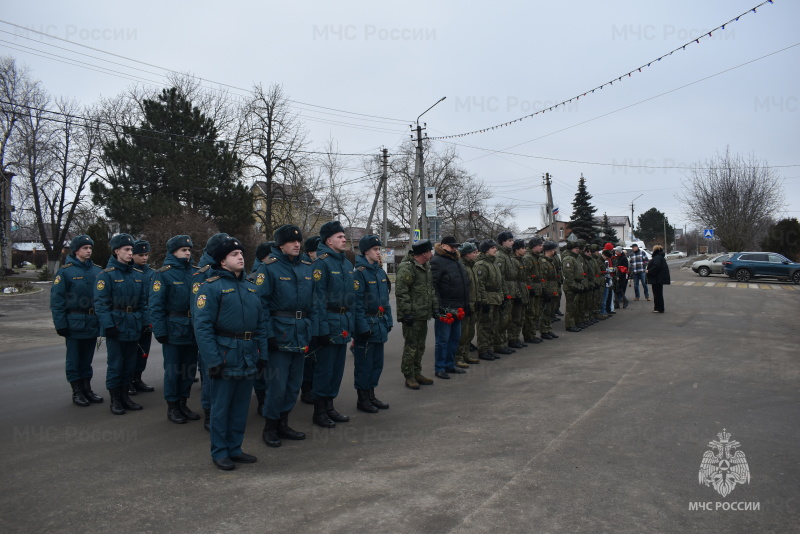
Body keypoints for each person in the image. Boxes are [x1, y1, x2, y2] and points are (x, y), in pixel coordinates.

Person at [193, 237, 267, 470]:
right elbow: (202, 327)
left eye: (241, 253)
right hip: (225, 355)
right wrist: (213, 360)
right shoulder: (210, 287)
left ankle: (235, 448)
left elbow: (262, 324)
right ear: (222, 261)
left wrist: (262, 354)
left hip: (247, 355)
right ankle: (219, 452)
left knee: (240, 407)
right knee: (221, 408)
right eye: (234, 254)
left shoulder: (251, 287)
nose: (241, 257)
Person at [254, 224, 317, 447]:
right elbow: (260, 306)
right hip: (279, 334)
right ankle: (270, 427)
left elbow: (314, 303)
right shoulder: (268, 268)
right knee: (277, 385)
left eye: (298, 241)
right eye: (291, 241)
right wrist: (267, 336)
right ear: (281, 245)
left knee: (293, 384)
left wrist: (314, 330)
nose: (297, 244)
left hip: (301, 333)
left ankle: (283, 423)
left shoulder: (306, 267)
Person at [94, 233, 149, 415]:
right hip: (116, 325)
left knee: (129, 364)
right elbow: (101, 304)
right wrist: (108, 325)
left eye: (131, 250)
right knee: (116, 364)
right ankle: (115, 399)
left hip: (133, 325)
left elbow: (142, 303)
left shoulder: (137, 275)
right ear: (116, 251)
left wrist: (143, 322)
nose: (130, 253)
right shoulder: (106, 276)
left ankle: (125, 396)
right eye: (126, 249)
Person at [150, 235, 201, 425]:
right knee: (173, 370)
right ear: (173, 252)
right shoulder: (163, 274)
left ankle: (183, 402)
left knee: (188, 369)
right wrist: (160, 330)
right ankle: (172, 406)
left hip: (193, 330)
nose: (188, 253)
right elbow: (156, 306)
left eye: (189, 250)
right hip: (173, 330)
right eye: (183, 250)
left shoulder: (196, 273)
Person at [50, 235, 104, 407]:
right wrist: (61, 324)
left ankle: (87, 389)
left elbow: (103, 299)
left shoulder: (97, 271)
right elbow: (57, 301)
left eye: (90, 248)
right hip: (74, 322)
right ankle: (77, 391)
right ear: (76, 251)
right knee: (74, 359)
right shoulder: (65, 272)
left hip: (92, 321)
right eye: (85, 248)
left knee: (87, 359)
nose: (88, 251)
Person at [311, 221, 354, 427]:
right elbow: (317, 299)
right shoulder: (322, 263)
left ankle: (330, 407)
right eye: (339, 236)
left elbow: (351, 299)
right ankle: (319, 411)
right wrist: (321, 329)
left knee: (337, 369)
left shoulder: (346, 263)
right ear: (328, 241)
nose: (344, 239)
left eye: (344, 236)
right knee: (324, 369)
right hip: (328, 323)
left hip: (343, 322)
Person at [192, 232, 230, 431]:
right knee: (210, 376)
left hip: (230, 336)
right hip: (213, 335)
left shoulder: (230, 269)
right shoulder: (203, 274)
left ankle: (223, 411)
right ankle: (209, 413)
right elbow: (200, 313)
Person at [352, 234, 393, 412]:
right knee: (364, 365)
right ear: (366, 251)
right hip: (367, 324)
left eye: (379, 249)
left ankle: (371, 394)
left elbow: (385, 301)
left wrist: (389, 321)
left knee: (377, 363)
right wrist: (362, 327)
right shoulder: (359, 273)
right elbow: (356, 303)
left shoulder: (380, 272)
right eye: (376, 250)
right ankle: (362, 399)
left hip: (380, 323)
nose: (379, 253)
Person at [395, 239, 437, 389]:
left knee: (420, 346)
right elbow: (401, 292)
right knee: (411, 346)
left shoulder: (426, 266)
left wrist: (435, 307)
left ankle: (417, 372)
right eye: (430, 250)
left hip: (423, 313)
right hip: (412, 315)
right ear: (424, 253)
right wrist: (407, 313)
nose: (432, 253)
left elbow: (430, 289)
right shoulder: (407, 268)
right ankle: (409, 375)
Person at [430, 236, 469, 380]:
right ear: (443, 246)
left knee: (455, 338)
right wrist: (438, 307)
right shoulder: (437, 261)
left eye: (456, 246)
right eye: (451, 246)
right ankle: (439, 367)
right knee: (443, 340)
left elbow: (464, 284)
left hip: (458, 307)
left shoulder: (456, 260)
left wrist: (466, 305)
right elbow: (433, 286)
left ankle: (450, 364)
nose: (454, 248)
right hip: (445, 308)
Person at [247, 240, 274, 415]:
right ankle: (262, 399)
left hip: (275, 327)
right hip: (260, 328)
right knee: (261, 368)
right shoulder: (254, 277)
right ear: (264, 258)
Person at [130, 240, 156, 395]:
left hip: (149, 318)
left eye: (146, 255)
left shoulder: (152, 273)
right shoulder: (129, 272)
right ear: (132, 255)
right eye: (140, 255)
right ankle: (129, 380)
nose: (144, 258)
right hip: (134, 317)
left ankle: (138, 378)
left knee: (144, 351)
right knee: (132, 351)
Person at [474, 239, 503, 360]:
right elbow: (480, 285)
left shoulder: (494, 262)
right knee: (484, 325)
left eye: (495, 247)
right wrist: (483, 301)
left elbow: (499, 282)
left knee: (493, 324)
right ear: (486, 250)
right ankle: (483, 349)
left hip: (495, 298)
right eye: (492, 248)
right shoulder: (481, 264)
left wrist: (501, 296)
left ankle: (488, 348)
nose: (495, 249)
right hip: (487, 298)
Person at [299, 234, 320, 405]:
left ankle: (312, 387)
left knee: (314, 357)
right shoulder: (306, 267)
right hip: (303, 320)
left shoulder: (315, 265)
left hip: (313, 317)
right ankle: (306, 390)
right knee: (307, 358)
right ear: (311, 252)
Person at [456, 241, 481, 367]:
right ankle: (458, 356)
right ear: (466, 254)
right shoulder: (462, 267)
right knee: (463, 334)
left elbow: (475, 286)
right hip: (465, 306)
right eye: (474, 253)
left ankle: (465, 354)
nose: (476, 255)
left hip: (473, 304)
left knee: (470, 332)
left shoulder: (472, 266)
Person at [494, 231, 518, 353]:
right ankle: (499, 344)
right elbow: (500, 276)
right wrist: (504, 294)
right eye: (509, 240)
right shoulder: (500, 256)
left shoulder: (508, 255)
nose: (512, 242)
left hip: (511, 289)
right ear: (503, 242)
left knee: (507, 319)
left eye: (512, 240)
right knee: (502, 320)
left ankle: (504, 342)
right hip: (505, 291)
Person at [522, 238, 544, 344]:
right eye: (539, 245)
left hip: (537, 287)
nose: (541, 247)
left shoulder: (536, 257)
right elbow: (526, 275)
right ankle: (529, 335)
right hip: (532, 288)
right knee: (530, 313)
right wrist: (530, 288)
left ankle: (532, 334)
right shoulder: (528, 258)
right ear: (534, 246)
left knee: (536, 312)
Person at [560, 241, 586, 333]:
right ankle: (570, 325)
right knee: (571, 306)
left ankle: (576, 322)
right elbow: (568, 275)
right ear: (571, 249)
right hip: (571, 286)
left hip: (578, 284)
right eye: (576, 248)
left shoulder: (576, 257)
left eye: (578, 248)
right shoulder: (568, 259)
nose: (578, 250)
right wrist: (574, 286)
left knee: (577, 306)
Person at [539, 241, 560, 340]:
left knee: (550, 311)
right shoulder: (543, 262)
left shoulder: (550, 260)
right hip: (548, 289)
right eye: (554, 249)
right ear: (550, 250)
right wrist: (545, 291)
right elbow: (543, 278)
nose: (555, 251)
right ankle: (544, 331)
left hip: (553, 288)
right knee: (546, 311)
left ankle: (548, 329)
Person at [646, 245, 671, 313]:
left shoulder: (657, 257)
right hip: (659, 278)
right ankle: (659, 308)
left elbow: (657, 266)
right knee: (658, 293)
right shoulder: (660, 257)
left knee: (657, 294)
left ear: (655, 250)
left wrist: (649, 271)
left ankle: (658, 308)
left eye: (653, 250)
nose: (652, 251)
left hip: (657, 279)